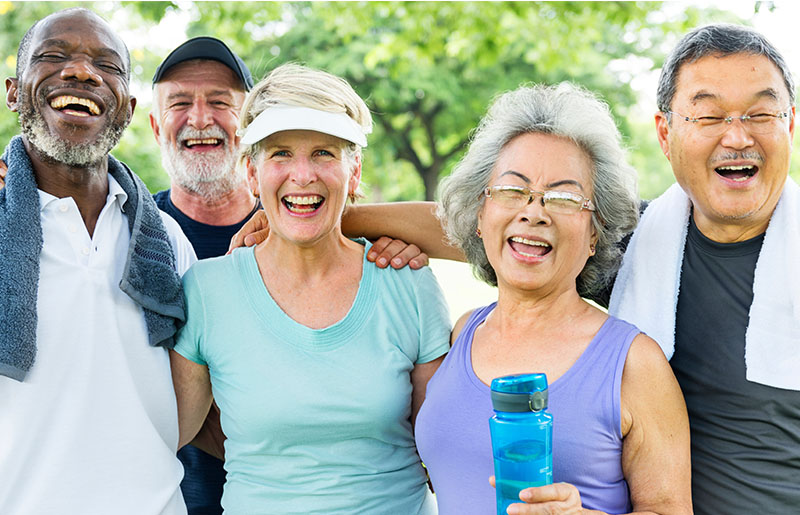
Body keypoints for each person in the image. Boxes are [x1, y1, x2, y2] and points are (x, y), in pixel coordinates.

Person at [148, 38, 433, 515]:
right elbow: (161, 431)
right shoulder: (200, 284)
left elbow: (441, 449)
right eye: (280, 153)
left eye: (324, 153)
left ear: (354, 169)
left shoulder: (407, 279)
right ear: (252, 174)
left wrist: (336, 221)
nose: (303, 175)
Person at [414, 83, 691, 515]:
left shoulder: (635, 362)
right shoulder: (464, 329)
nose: (534, 211)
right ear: (480, 216)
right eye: (512, 190)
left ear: (596, 233)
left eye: (563, 197)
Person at [0, 8, 195, 515]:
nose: (82, 72)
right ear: (14, 91)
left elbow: (195, 394)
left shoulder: (168, 242)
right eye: (53, 56)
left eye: (106, 65)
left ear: (127, 109)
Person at [607, 24, 800, 514]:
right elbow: (490, 228)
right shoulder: (633, 248)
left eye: (761, 113)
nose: (737, 136)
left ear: (791, 124)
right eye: (709, 115)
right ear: (666, 133)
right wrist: (377, 227)